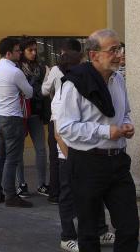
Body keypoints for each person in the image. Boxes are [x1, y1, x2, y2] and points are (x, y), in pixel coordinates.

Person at [53, 29, 139, 252]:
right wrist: (105, 131)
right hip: (87, 163)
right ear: (94, 55)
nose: (120, 54)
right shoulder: (74, 84)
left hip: (118, 162)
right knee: (89, 231)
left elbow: (125, 112)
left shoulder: (118, 79)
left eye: (120, 48)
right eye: (113, 50)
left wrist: (126, 126)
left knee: (129, 227)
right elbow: (65, 128)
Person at [47, 43, 115, 252]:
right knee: (69, 196)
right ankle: (67, 235)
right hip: (70, 155)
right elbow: (59, 134)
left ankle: (101, 230)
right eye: (85, 64)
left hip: (85, 153)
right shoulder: (64, 93)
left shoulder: (83, 87)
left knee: (94, 193)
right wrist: (72, 158)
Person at [0, 37, 34, 208]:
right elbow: (29, 93)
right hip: (12, 118)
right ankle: (11, 195)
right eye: (17, 50)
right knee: (12, 159)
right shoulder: (15, 72)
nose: (20, 52)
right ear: (8, 53)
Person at [42, 39, 83, 205]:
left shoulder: (55, 70)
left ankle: (55, 192)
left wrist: (47, 76)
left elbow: (44, 90)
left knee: (56, 156)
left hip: (57, 116)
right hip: (77, 116)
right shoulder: (83, 71)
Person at [16, 38, 50, 198]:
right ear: (22, 51)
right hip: (20, 113)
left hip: (36, 111)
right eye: (30, 50)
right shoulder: (16, 68)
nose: (34, 53)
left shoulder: (41, 68)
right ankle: (21, 184)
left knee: (41, 149)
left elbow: (46, 89)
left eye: (35, 49)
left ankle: (42, 184)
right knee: (18, 150)